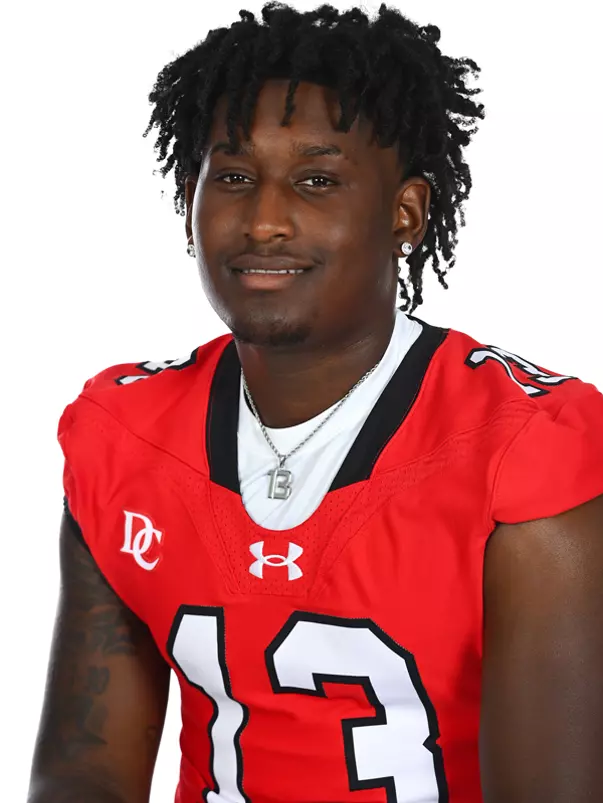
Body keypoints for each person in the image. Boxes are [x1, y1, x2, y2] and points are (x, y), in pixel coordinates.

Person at [27, 3, 603, 802]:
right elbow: (83, 772)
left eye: (315, 181)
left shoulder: (524, 445)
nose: (263, 220)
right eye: (231, 177)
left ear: (404, 214)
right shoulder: (121, 435)